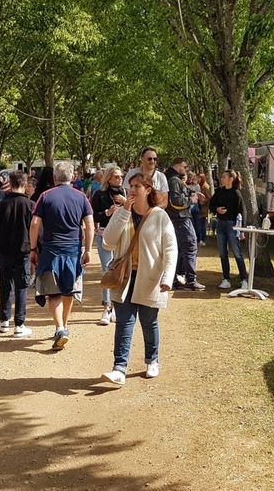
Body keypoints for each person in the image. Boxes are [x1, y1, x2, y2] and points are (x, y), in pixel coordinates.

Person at [99, 173, 178, 386]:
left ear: (148, 189)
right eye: (130, 186)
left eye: (137, 186)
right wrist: (123, 213)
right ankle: (119, 368)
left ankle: (152, 360)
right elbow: (107, 241)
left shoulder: (160, 216)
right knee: (124, 322)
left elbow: (170, 249)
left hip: (150, 278)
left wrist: (167, 277)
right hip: (124, 277)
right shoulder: (121, 213)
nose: (132, 190)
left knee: (148, 321)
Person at [29, 160, 95, 350]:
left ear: (54, 178)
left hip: (50, 250)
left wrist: (33, 249)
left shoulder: (45, 196)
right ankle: (64, 326)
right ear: (73, 177)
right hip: (73, 249)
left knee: (54, 292)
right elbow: (89, 225)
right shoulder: (81, 197)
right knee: (69, 290)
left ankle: (60, 328)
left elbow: (34, 224)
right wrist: (88, 249)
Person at [0, 170, 34, 337]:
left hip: (4, 251)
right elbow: (35, 230)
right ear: (25, 184)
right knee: (22, 286)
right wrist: (36, 250)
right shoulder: (30, 205)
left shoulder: (1, 205)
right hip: (24, 251)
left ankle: (4, 320)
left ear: (10, 184)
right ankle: (19, 323)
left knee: (5, 285)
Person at [91, 166, 128, 325]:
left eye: (121, 176)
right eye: (116, 177)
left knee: (121, 270)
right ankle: (106, 307)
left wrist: (126, 202)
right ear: (108, 179)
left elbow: (137, 213)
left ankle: (116, 306)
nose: (120, 179)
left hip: (123, 235)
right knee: (107, 269)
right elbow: (93, 215)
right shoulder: (100, 194)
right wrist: (108, 212)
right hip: (104, 235)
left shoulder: (126, 193)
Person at [165, 158, 205, 291]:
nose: (186, 169)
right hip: (181, 218)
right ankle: (190, 279)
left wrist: (192, 192)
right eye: (185, 166)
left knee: (180, 250)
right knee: (190, 247)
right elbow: (176, 201)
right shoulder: (174, 180)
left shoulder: (172, 178)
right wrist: (191, 200)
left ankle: (175, 279)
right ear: (177, 166)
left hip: (176, 219)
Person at [209, 170, 247, 290]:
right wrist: (217, 209)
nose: (222, 179)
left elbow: (243, 210)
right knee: (222, 253)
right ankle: (226, 279)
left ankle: (244, 279)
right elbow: (211, 204)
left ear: (231, 179)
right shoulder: (219, 191)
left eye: (224, 177)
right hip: (220, 224)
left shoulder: (236, 193)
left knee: (237, 253)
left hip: (232, 224)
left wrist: (243, 229)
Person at [193, 173, 211, 247]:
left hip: (203, 209)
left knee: (202, 225)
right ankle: (199, 239)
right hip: (199, 208)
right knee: (199, 224)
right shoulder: (198, 186)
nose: (197, 179)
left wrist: (203, 201)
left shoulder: (206, 187)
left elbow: (209, 197)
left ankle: (203, 240)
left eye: (199, 178)